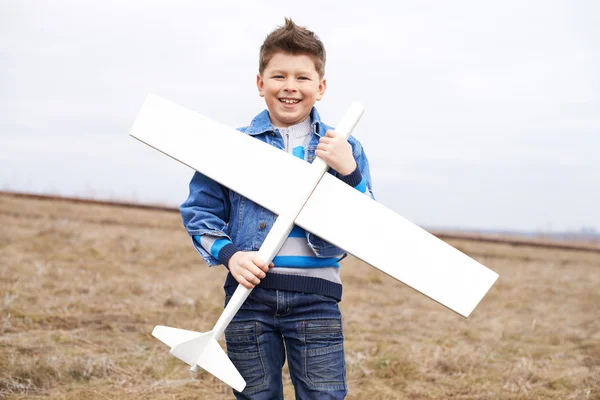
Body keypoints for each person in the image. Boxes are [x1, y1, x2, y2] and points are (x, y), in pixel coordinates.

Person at [180, 18, 374, 399]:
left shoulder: (346, 149)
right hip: (248, 298)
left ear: (320, 87)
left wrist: (349, 172)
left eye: (302, 78)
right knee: (255, 395)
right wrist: (230, 255)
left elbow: (367, 225)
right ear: (260, 83)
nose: (290, 87)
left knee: (324, 395)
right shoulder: (232, 148)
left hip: (316, 299)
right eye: (278, 76)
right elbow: (198, 213)